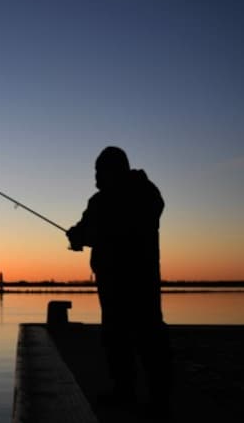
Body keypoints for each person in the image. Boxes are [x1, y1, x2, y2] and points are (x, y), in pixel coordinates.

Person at [66, 146, 172, 415]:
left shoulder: (145, 194)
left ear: (114, 170)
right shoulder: (98, 201)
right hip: (110, 280)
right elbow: (88, 227)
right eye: (95, 172)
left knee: (148, 335)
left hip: (139, 278)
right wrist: (77, 235)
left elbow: (122, 228)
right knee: (115, 336)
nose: (96, 177)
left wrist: (87, 236)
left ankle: (159, 398)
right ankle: (124, 391)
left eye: (99, 171)